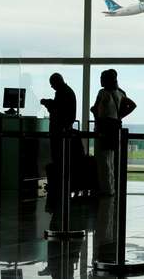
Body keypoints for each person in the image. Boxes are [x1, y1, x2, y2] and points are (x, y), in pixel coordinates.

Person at [90, 69, 136, 196]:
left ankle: (105, 189)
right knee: (110, 159)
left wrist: (95, 112)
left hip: (103, 127)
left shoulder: (102, 93)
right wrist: (119, 116)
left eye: (102, 77)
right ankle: (111, 187)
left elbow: (95, 109)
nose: (100, 80)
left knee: (103, 159)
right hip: (114, 128)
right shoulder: (120, 93)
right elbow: (132, 105)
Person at [40, 73, 84, 206]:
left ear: (57, 82)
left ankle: (59, 184)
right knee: (61, 158)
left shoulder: (62, 93)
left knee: (58, 157)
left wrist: (47, 103)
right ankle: (61, 184)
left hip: (59, 131)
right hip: (64, 129)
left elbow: (58, 109)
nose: (52, 87)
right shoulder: (67, 91)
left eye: (52, 84)